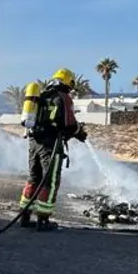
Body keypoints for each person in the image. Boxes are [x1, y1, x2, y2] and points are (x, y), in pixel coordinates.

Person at [19, 68, 86, 231]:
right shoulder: (64, 97)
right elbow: (69, 124)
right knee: (50, 181)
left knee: (34, 178)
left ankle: (24, 217)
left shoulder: (42, 95)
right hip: (51, 145)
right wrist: (80, 133)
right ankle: (43, 220)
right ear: (68, 82)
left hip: (34, 142)